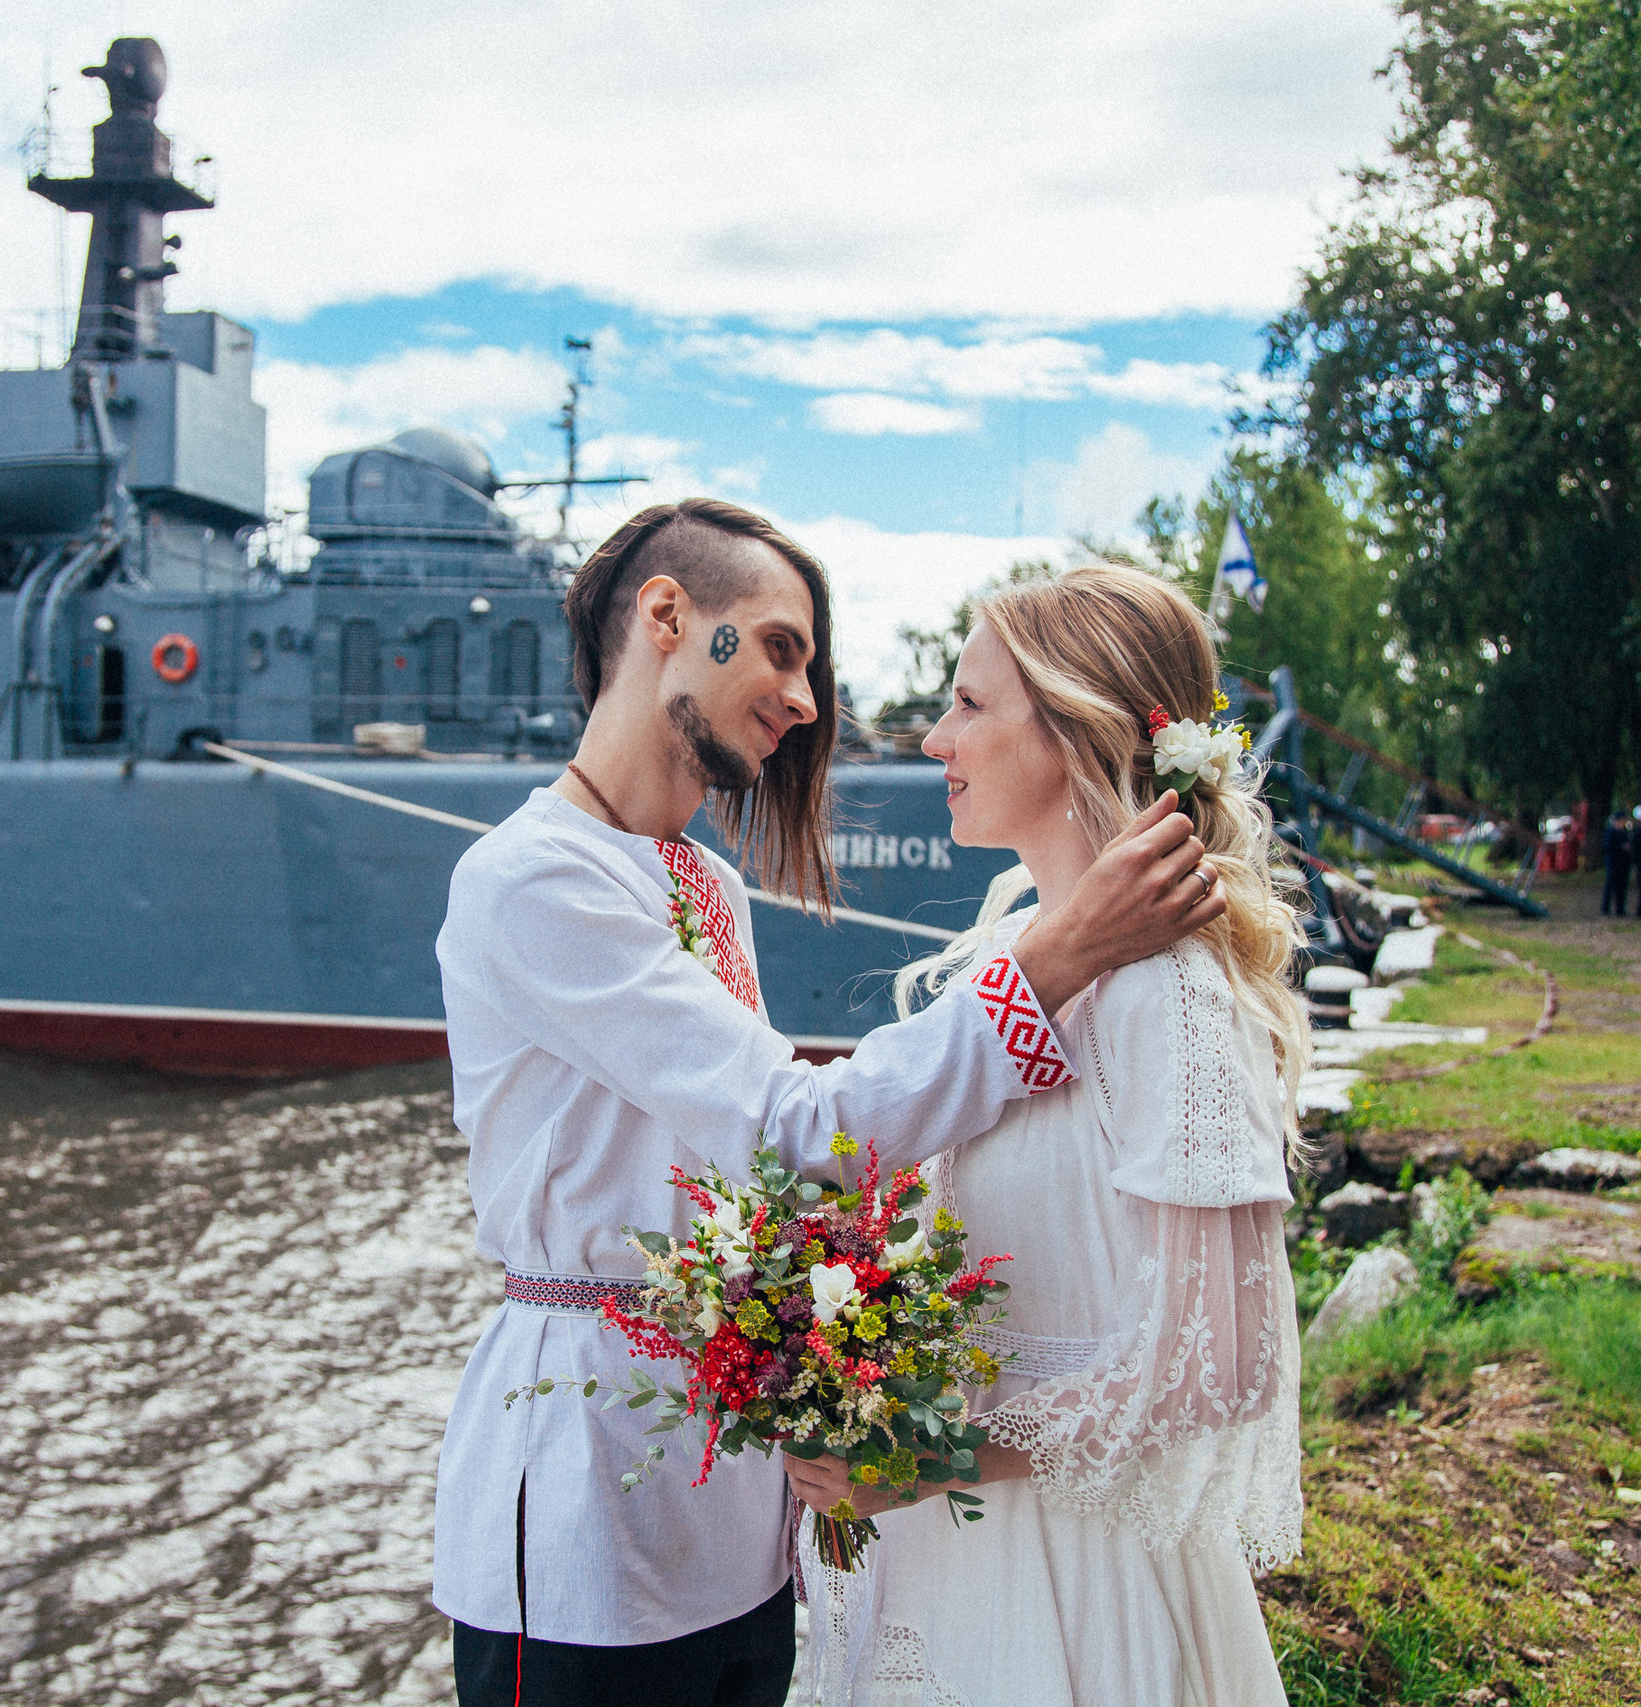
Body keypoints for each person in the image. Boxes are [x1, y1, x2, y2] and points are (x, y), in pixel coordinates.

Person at [431, 502, 1227, 1707]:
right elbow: (791, 1135)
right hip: (593, 1497)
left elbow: (765, 1184)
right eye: (779, 648)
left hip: (743, 1502)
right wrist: (1051, 962)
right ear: (666, 619)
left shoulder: (702, 882)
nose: (807, 703)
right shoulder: (532, 879)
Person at [786, 563, 1305, 1707]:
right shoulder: (1012, 960)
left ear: (1078, 733)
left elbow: (1219, 1362)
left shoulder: (1167, 994)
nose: (933, 739)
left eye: (969, 705)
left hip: (1078, 1587)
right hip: (945, 1556)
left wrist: (936, 1459)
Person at [1599, 806, 1633, 916]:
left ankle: (1620, 909)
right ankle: (1605, 908)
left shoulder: (1625, 832)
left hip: (1623, 863)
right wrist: (1621, 848)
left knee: (1622, 887)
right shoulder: (1611, 832)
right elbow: (1607, 846)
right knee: (1610, 886)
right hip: (1613, 863)